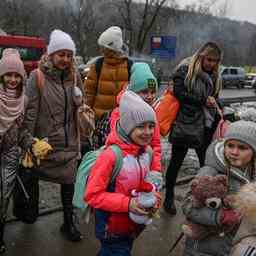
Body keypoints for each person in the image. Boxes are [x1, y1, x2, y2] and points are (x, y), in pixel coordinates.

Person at [12, 29, 84, 242]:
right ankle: (28, 213)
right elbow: (30, 113)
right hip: (44, 146)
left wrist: (83, 110)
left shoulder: (75, 76)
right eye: (61, 54)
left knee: (69, 184)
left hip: (69, 143)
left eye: (69, 55)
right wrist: (27, 140)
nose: (66, 59)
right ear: (51, 54)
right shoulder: (38, 77)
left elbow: (80, 106)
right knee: (31, 181)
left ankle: (68, 222)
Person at [85, 91, 162, 256]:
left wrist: (153, 198)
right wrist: (128, 204)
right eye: (141, 126)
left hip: (132, 224)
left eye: (151, 126)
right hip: (111, 227)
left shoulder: (146, 152)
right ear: (127, 127)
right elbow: (92, 195)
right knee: (117, 250)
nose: (148, 132)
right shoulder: (111, 156)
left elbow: (148, 184)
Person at [164, 42, 223, 215]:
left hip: (205, 125)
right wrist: (204, 100)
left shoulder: (215, 76)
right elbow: (179, 93)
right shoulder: (185, 69)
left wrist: (216, 104)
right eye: (209, 59)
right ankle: (168, 196)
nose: (211, 63)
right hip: (185, 122)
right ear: (201, 56)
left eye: (215, 61)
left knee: (206, 165)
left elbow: (216, 97)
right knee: (176, 162)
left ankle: (205, 198)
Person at [182, 120, 256, 256]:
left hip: (231, 246)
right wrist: (218, 216)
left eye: (242, 148)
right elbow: (188, 205)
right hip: (203, 248)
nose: (234, 152)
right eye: (230, 145)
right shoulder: (210, 171)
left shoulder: (252, 176)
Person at [0, 49, 32, 253]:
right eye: (8, 75)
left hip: (11, 154)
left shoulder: (24, 101)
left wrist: (31, 143)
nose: (13, 80)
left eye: (17, 76)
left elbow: (23, 131)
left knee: (4, 196)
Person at [84, 26, 132, 149]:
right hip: (99, 122)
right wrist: (87, 117)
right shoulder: (98, 65)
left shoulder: (129, 66)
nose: (101, 50)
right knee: (100, 155)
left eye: (104, 47)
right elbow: (89, 93)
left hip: (121, 122)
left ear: (111, 47)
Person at [110, 62, 161, 173]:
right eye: (144, 92)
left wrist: (155, 171)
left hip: (144, 165)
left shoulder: (151, 113)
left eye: (153, 92)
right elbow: (116, 140)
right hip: (123, 168)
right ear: (133, 92)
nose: (150, 96)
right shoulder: (119, 112)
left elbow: (155, 145)